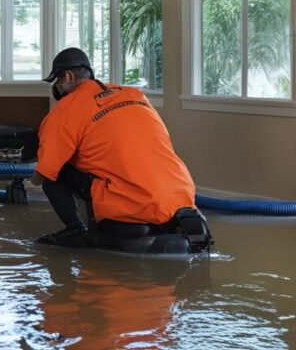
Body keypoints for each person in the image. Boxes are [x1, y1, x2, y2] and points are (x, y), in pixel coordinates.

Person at [31, 47, 206, 247]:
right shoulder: (134, 95)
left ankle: (76, 231)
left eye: (57, 81)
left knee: (56, 175)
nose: (57, 88)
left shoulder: (63, 111)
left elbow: (44, 173)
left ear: (68, 76)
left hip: (131, 206)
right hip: (182, 197)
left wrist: (31, 179)